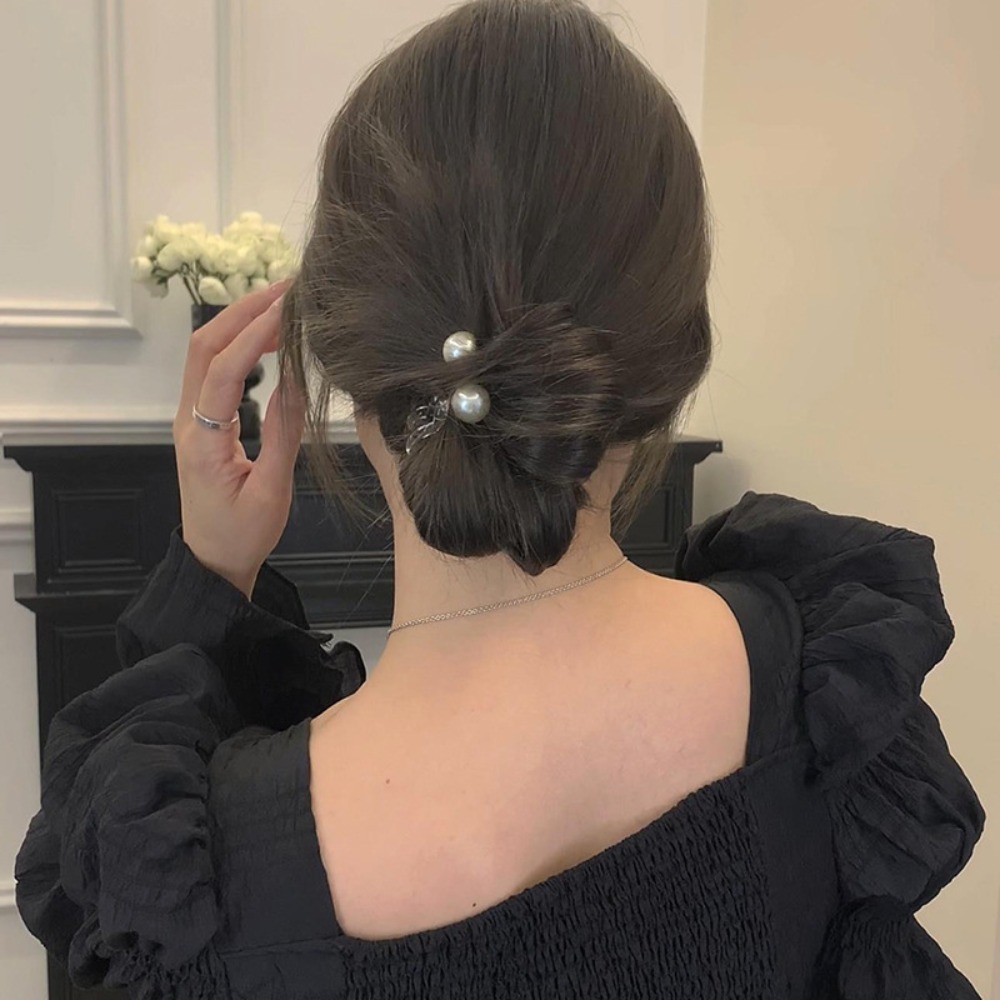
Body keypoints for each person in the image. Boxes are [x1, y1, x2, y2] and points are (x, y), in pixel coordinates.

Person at [14, 1, 985, 997]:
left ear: (340, 350)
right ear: (673, 353)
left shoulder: (196, 890)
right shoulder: (823, 690)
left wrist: (213, 579)